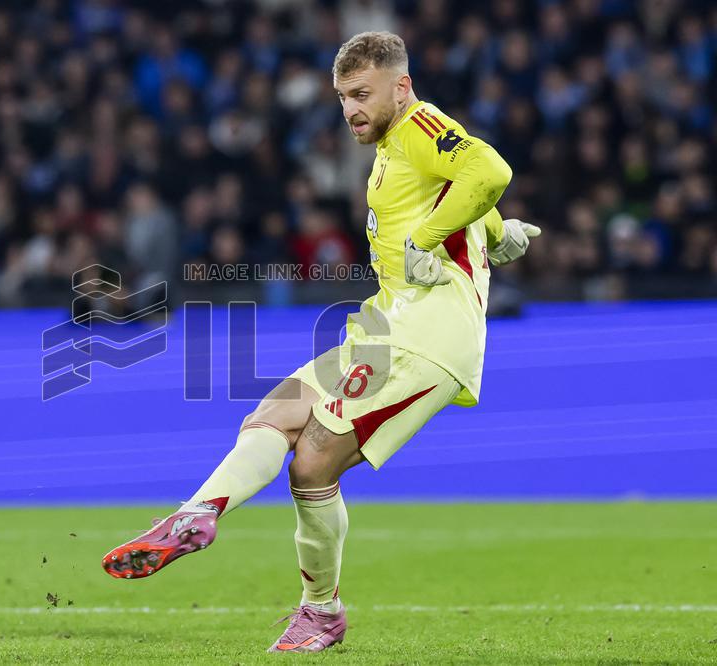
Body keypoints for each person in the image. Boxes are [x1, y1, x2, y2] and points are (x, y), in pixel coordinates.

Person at [101, 31, 541, 653]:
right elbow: (461, 191)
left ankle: (320, 613)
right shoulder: (396, 144)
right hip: (387, 324)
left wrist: (425, 241)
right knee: (273, 414)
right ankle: (196, 513)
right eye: (342, 98)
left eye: (362, 94)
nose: (351, 109)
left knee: (313, 462)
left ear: (402, 87)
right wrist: (497, 234)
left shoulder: (419, 124)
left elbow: (490, 170)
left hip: (428, 336)